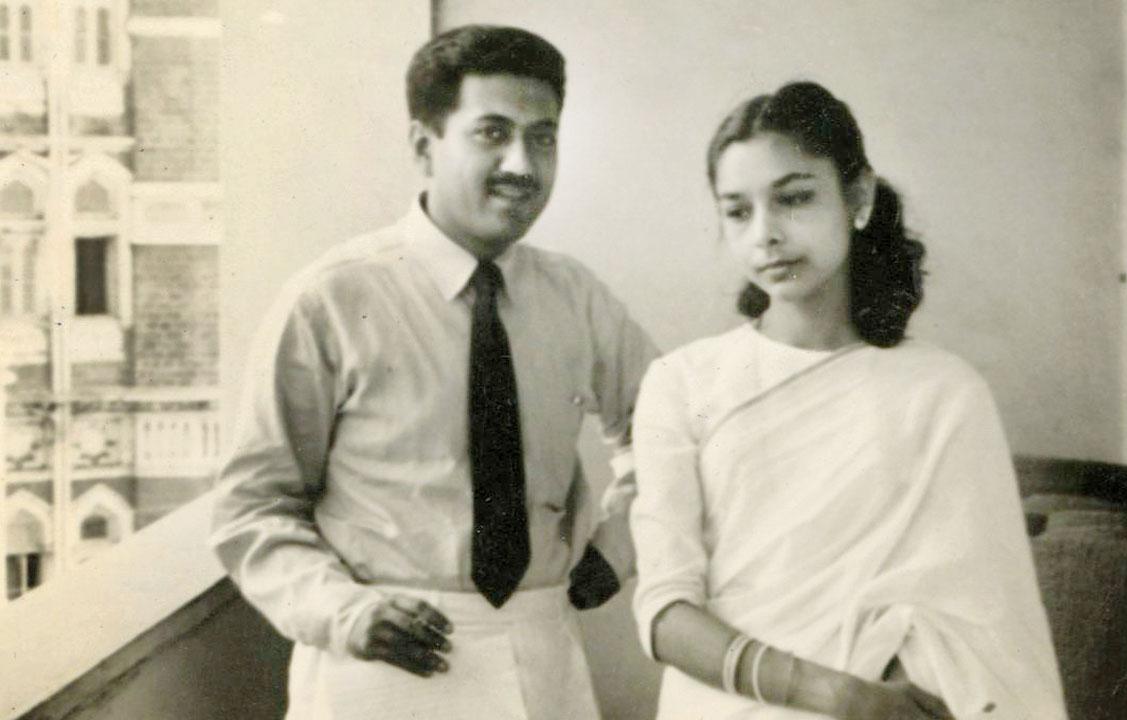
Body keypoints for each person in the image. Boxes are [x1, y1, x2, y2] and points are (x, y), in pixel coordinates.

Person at [210, 25, 657, 720]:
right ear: (424, 146)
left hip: (543, 654)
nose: (523, 164)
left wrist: (618, 545)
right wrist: (343, 611)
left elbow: (672, 435)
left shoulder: (577, 298)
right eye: (492, 133)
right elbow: (252, 506)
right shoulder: (333, 298)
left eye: (543, 138)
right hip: (384, 665)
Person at [630, 81, 1067, 719]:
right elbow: (665, 612)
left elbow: (987, 630)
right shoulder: (682, 383)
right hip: (728, 704)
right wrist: (835, 694)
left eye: (795, 199)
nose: (766, 235)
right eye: (737, 211)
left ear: (857, 197)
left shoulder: (943, 392)